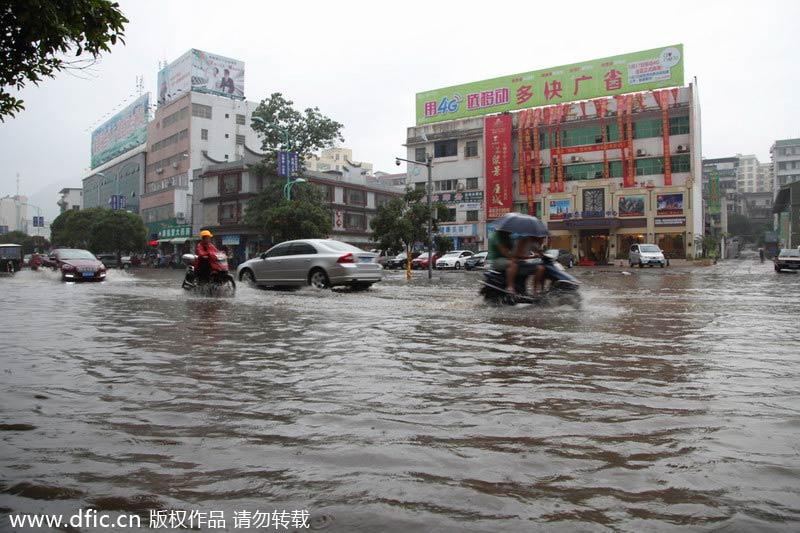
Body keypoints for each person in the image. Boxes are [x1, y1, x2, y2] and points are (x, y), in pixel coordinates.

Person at [487, 230, 519, 294]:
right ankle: (510, 286)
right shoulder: (496, 236)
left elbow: (512, 251)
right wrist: (512, 257)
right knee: (513, 264)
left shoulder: (509, 237)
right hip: (497, 260)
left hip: (505, 259)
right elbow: (503, 251)